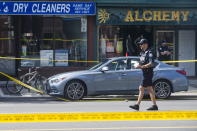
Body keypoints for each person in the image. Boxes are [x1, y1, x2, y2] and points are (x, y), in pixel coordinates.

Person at [129, 39, 158, 111]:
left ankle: (137, 105)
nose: (140, 45)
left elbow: (151, 63)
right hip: (145, 72)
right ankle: (154, 105)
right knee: (150, 89)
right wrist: (137, 65)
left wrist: (141, 67)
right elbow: (142, 62)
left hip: (148, 72)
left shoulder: (149, 53)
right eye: (140, 44)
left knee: (141, 88)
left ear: (146, 44)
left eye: (141, 44)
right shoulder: (142, 53)